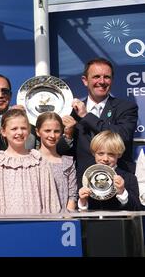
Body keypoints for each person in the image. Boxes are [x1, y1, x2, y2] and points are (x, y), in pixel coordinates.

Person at [57, 58, 138, 187]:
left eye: (107, 77)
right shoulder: (71, 112)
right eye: (96, 77)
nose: (101, 81)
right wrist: (67, 135)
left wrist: (86, 116)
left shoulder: (127, 107)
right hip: (83, 185)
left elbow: (122, 136)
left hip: (118, 184)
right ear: (85, 80)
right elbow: (59, 151)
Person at [0, 108, 61, 214]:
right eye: (14, 128)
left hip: (36, 224)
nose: (19, 132)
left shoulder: (39, 160)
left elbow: (50, 199)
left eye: (23, 128)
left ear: (29, 131)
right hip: (5, 223)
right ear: (3, 132)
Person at [78, 131, 141, 211]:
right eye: (100, 154)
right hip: (92, 222)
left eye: (111, 154)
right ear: (94, 153)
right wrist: (83, 201)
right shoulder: (85, 177)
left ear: (119, 154)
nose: (105, 159)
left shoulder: (129, 178)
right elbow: (79, 211)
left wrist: (122, 191)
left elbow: (136, 209)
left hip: (119, 223)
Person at [0, 74, 36, 153]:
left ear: (10, 95)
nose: (0, 95)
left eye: (5, 91)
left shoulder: (25, 114)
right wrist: (9, 117)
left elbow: (33, 141)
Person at [36, 112, 77, 212]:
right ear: (38, 132)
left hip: (61, 221)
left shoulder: (68, 163)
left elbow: (72, 195)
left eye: (57, 131)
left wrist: (66, 218)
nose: (52, 135)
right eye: (47, 131)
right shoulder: (30, 160)